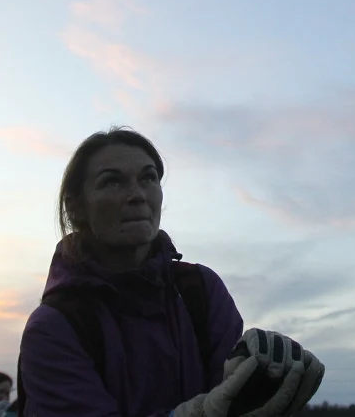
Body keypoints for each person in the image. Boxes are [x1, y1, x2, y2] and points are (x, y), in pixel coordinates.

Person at [17, 127, 326, 417]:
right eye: (112, 181)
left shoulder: (201, 290)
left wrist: (261, 379)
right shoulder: (53, 327)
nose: (137, 194)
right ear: (75, 207)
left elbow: (231, 393)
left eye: (148, 178)